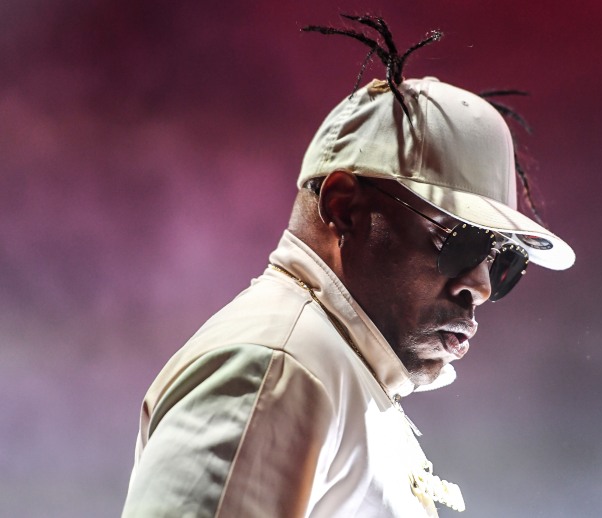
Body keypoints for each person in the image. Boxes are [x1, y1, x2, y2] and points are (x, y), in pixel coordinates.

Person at [122, 17, 574, 518]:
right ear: (344, 208)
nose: (481, 286)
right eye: (461, 241)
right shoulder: (276, 368)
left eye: (502, 260)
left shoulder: (333, 372)